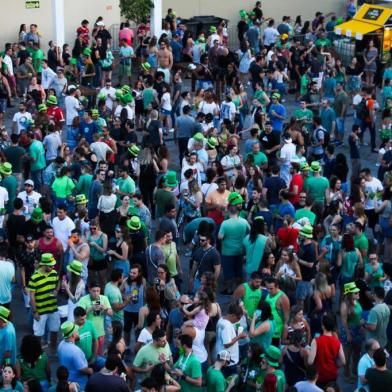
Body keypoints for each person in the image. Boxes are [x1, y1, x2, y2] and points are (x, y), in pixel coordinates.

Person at [28, 253, 60, 351]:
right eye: (50, 265)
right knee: (38, 333)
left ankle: (53, 350)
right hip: (40, 310)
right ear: (44, 264)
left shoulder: (54, 273)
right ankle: (38, 353)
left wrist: (56, 290)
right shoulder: (34, 278)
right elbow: (32, 297)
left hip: (53, 308)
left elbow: (57, 282)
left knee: (55, 330)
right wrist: (35, 312)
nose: (53, 267)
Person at [308, 315, 345, 388]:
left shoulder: (316, 341)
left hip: (319, 375)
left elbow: (310, 361)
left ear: (323, 326)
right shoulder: (337, 342)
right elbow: (343, 361)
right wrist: (336, 366)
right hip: (332, 374)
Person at [77, 281, 113, 356]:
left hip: (100, 332)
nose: (96, 293)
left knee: (98, 355)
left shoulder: (104, 298)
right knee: (87, 354)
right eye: (94, 291)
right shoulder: (83, 299)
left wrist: (105, 309)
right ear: (89, 290)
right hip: (87, 333)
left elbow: (111, 314)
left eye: (98, 291)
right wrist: (90, 309)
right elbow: (79, 316)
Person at [57, 321, 93, 390]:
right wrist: (91, 371)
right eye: (77, 331)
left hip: (67, 381)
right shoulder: (76, 351)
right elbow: (82, 369)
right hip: (78, 383)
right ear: (73, 335)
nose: (78, 332)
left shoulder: (60, 344)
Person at [215, 303, 247, 377]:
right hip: (228, 361)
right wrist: (239, 336)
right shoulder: (227, 326)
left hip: (222, 357)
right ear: (232, 315)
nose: (238, 320)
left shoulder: (222, 319)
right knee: (230, 381)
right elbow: (227, 344)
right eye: (238, 318)